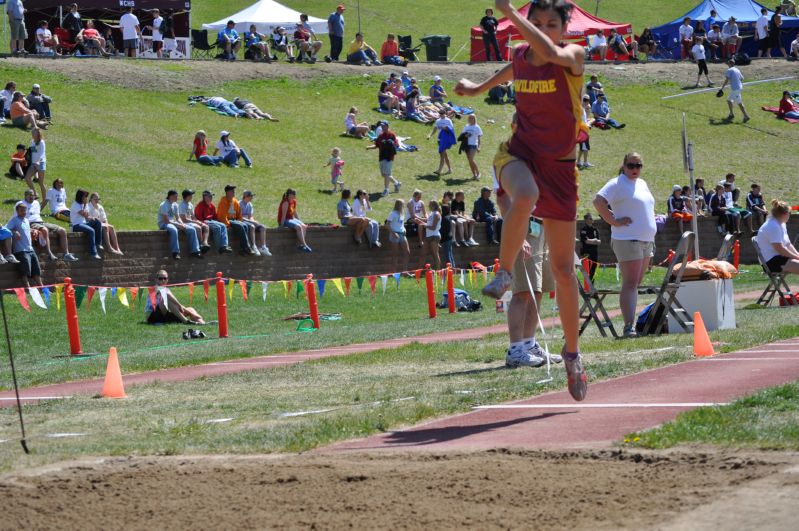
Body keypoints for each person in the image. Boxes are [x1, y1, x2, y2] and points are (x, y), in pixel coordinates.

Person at [454, 0, 590, 402]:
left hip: (562, 169)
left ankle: (572, 354)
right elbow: (513, 68)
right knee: (525, 194)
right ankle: (504, 272)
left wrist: (510, 13)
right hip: (520, 154)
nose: (546, 30)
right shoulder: (519, 55)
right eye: (539, 23)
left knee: (564, 272)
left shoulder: (572, 57)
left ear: (565, 30)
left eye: (553, 24)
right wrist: (478, 89)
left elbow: (547, 53)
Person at [593, 152, 656, 339]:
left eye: (638, 165)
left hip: (646, 240)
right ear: (624, 165)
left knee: (635, 283)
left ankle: (632, 324)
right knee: (629, 283)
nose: (635, 169)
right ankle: (629, 327)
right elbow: (598, 201)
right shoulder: (616, 183)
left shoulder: (642, 183)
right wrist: (613, 221)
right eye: (631, 165)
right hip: (627, 239)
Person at [21, 189, 78, 262]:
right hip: (31, 223)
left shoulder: (36, 203)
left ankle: (66, 254)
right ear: (25, 196)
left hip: (41, 222)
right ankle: (49, 253)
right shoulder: (21, 204)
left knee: (62, 230)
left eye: (33, 195)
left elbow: (37, 214)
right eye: (30, 195)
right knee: (44, 230)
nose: (31, 197)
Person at [756, 199, 799, 275]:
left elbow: (788, 244)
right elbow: (780, 248)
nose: (790, 215)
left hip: (780, 258)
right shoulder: (773, 225)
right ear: (784, 214)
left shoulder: (781, 224)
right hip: (771, 262)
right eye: (789, 213)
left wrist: (797, 255)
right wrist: (795, 257)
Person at [158, 189, 202, 260]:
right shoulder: (164, 205)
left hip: (173, 222)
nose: (177, 198)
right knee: (174, 229)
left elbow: (178, 218)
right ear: (171, 196)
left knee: (191, 229)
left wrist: (182, 224)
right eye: (176, 196)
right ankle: (175, 252)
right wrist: (177, 225)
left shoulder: (175, 205)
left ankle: (195, 251)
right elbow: (166, 220)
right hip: (164, 224)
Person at [7, 203, 43, 288]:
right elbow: (7, 229)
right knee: (25, 271)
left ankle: (42, 287)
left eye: (25, 210)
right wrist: (14, 232)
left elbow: (26, 229)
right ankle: (28, 288)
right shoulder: (14, 220)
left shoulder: (26, 220)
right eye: (22, 210)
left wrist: (33, 230)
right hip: (20, 250)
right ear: (17, 211)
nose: (24, 212)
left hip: (30, 249)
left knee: (36, 269)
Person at [217, 184, 255, 255]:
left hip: (234, 220)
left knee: (244, 225)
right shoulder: (223, 201)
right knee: (240, 226)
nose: (234, 192)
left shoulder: (235, 201)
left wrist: (240, 221)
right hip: (228, 220)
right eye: (232, 191)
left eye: (233, 191)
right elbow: (222, 215)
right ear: (227, 192)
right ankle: (246, 247)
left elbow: (239, 213)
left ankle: (242, 248)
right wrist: (227, 225)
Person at [367, 120, 401, 197]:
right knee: (384, 175)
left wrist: (392, 144)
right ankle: (397, 183)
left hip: (389, 157)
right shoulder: (380, 136)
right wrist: (369, 147)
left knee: (386, 174)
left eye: (384, 126)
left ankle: (386, 190)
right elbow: (376, 145)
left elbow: (397, 145)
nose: (382, 127)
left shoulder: (391, 134)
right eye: (382, 126)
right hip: (382, 157)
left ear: (387, 126)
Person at [71, 188, 104, 260]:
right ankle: (93, 253)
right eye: (85, 196)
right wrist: (86, 204)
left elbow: (88, 217)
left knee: (97, 222)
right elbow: (85, 215)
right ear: (80, 197)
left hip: (84, 223)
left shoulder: (84, 205)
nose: (86, 198)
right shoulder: (75, 205)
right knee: (91, 230)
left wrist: (92, 218)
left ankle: (98, 244)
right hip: (76, 225)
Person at [178, 189, 211, 254]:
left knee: (206, 226)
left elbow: (193, 216)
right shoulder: (182, 206)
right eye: (191, 195)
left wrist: (198, 221)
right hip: (186, 223)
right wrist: (195, 222)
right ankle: (200, 245)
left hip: (191, 222)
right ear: (187, 196)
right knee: (198, 228)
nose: (192, 197)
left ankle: (205, 243)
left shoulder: (190, 204)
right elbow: (184, 219)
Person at [240, 190, 271, 256]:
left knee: (262, 227)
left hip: (249, 221)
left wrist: (254, 221)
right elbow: (240, 218)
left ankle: (263, 247)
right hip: (242, 221)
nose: (252, 198)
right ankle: (254, 246)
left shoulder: (250, 205)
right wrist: (252, 222)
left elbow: (250, 216)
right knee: (252, 226)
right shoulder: (239, 204)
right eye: (251, 196)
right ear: (246, 197)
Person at [427, 110, 456, 175]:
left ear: (445, 114)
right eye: (440, 114)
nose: (441, 115)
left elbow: (451, 130)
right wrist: (430, 135)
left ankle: (439, 170)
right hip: (439, 140)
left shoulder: (448, 120)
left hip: (445, 140)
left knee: (442, 155)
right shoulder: (438, 121)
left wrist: (446, 128)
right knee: (444, 155)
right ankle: (450, 169)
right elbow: (434, 130)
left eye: (442, 114)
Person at [386, 199, 410, 270]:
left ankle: (405, 271)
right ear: (399, 205)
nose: (403, 206)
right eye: (402, 205)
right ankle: (394, 272)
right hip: (394, 235)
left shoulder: (402, 214)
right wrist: (393, 233)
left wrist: (404, 229)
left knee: (407, 252)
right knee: (395, 254)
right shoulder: (393, 213)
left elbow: (401, 224)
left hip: (402, 234)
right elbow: (387, 225)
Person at [24, 128, 47, 201]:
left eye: (34, 133)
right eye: (32, 133)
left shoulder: (42, 142)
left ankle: (44, 200)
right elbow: (31, 152)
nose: (32, 134)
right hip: (33, 164)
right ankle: (35, 193)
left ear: (38, 133)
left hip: (41, 163)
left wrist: (38, 161)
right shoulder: (32, 142)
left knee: (41, 182)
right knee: (27, 178)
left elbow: (42, 153)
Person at [421, 200, 442, 270]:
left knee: (435, 255)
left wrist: (425, 225)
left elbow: (433, 227)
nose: (428, 206)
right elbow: (428, 221)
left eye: (429, 205)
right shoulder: (431, 213)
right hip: (428, 236)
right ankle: (418, 272)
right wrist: (418, 220)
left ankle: (438, 272)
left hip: (434, 236)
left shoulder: (437, 214)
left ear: (433, 206)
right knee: (423, 254)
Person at [579, 212, 600, 281]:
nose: (592, 219)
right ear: (586, 220)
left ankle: (591, 286)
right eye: (590, 218)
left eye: (592, 218)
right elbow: (585, 241)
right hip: (587, 252)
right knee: (587, 270)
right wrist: (594, 240)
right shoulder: (584, 230)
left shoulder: (595, 229)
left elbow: (599, 241)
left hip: (594, 252)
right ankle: (587, 286)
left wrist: (593, 241)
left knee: (593, 269)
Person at [461, 114, 483, 180]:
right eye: (469, 118)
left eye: (472, 118)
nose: (470, 119)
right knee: (470, 160)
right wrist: (466, 135)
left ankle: (478, 173)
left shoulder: (477, 127)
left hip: (474, 144)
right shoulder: (466, 126)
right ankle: (474, 175)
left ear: (474, 119)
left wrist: (479, 147)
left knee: (471, 159)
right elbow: (462, 135)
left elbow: (479, 138)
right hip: (466, 145)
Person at [577, 95, 593, 169]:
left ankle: (579, 161)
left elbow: (584, 120)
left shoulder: (583, 109)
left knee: (583, 148)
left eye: (588, 100)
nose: (587, 102)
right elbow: (579, 121)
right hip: (582, 131)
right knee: (585, 148)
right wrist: (588, 124)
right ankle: (585, 162)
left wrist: (588, 122)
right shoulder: (580, 109)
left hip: (584, 130)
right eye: (586, 100)